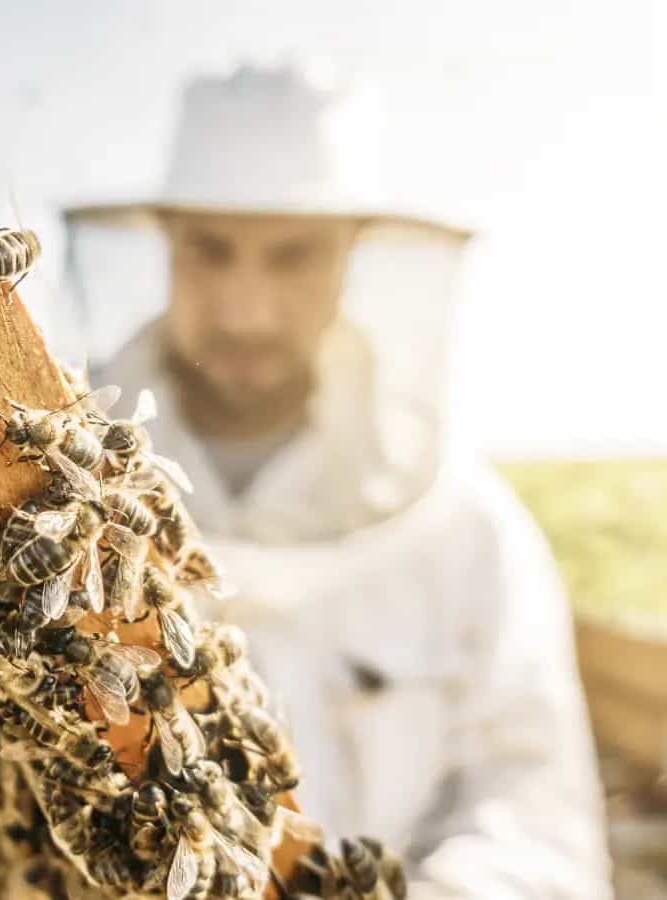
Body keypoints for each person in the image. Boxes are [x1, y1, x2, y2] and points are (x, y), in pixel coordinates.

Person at [65, 64, 611, 897]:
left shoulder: (469, 532)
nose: (246, 309)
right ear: (164, 248)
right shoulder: (49, 495)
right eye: (211, 251)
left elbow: (537, 824)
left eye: (294, 258)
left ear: (352, 260)